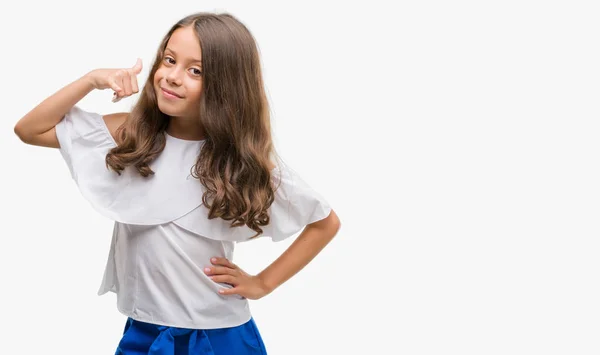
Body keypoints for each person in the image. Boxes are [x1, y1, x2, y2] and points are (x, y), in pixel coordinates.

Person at [13, 11, 341, 355]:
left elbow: (324, 222)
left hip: (218, 337)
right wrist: (92, 79)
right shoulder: (130, 133)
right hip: (144, 332)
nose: (172, 77)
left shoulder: (236, 160)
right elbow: (29, 129)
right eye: (169, 60)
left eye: (195, 70)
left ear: (226, 86)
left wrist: (263, 283)